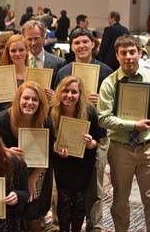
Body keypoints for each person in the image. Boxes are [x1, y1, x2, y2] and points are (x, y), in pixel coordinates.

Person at [55, 27, 112, 232]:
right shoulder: (64, 71)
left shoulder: (105, 71)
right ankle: (60, 224)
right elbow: (57, 103)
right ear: (72, 46)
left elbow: (113, 107)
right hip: (68, 136)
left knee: (94, 184)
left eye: (85, 42)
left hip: (97, 135)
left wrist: (101, 103)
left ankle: (94, 225)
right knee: (65, 185)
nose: (81, 46)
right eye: (77, 42)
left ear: (93, 44)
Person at [98, 35, 150, 231]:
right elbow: (103, 118)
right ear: (117, 56)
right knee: (120, 201)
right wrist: (133, 125)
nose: (128, 56)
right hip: (120, 149)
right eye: (124, 53)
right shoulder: (109, 83)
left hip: (148, 148)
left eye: (132, 52)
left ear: (139, 53)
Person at [0, 81, 55, 231]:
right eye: (26, 98)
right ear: (18, 99)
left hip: (38, 170)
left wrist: (33, 178)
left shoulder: (46, 122)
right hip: (9, 171)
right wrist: (6, 151)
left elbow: (48, 154)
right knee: (13, 212)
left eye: (35, 100)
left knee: (33, 213)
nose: (30, 103)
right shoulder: (3, 119)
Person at [50, 76, 99, 231]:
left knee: (79, 201)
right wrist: (55, 148)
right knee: (63, 201)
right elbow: (47, 141)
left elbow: (97, 140)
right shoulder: (51, 113)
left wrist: (91, 143)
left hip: (82, 162)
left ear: (80, 94)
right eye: (66, 91)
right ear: (59, 92)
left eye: (74, 92)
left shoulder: (89, 112)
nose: (69, 95)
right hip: (60, 162)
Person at [21, 20, 66, 97]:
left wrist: (55, 97)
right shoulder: (19, 62)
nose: (33, 43)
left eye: (36, 38)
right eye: (29, 39)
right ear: (24, 39)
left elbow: (63, 92)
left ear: (43, 37)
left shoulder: (59, 63)